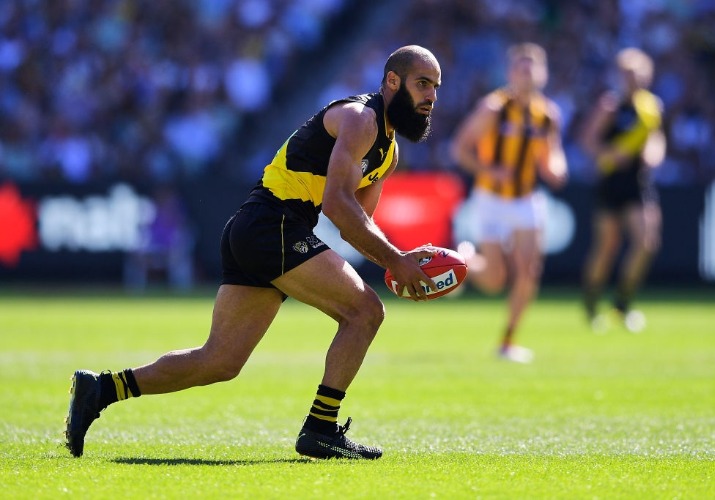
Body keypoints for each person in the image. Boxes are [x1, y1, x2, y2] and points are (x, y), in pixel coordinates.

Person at [65, 45, 442, 460]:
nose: (431, 97)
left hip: (259, 227)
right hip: (271, 225)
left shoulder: (388, 152)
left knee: (220, 362)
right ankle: (321, 428)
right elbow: (337, 205)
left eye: (436, 88)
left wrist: (402, 259)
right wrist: (395, 261)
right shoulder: (360, 120)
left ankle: (101, 389)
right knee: (366, 312)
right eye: (422, 84)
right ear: (392, 81)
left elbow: (357, 225)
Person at [451, 43, 567, 363]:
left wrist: (557, 168)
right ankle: (465, 260)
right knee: (494, 280)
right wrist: (489, 170)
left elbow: (552, 156)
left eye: (532, 68)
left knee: (529, 270)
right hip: (490, 198)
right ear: (510, 72)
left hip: (526, 199)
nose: (526, 74)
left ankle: (508, 340)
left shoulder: (548, 115)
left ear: (542, 74)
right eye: (521, 67)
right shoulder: (493, 108)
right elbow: (460, 149)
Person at [580, 47, 665, 333]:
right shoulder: (610, 106)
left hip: (638, 181)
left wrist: (655, 154)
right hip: (611, 181)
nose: (634, 79)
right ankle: (591, 304)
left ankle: (622, 304)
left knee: (647, 242)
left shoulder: (651, 108)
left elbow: (656, 139)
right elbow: (588, 142)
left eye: (638, 74)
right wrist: (608, 154)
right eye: (628, 74)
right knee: (607, 247)